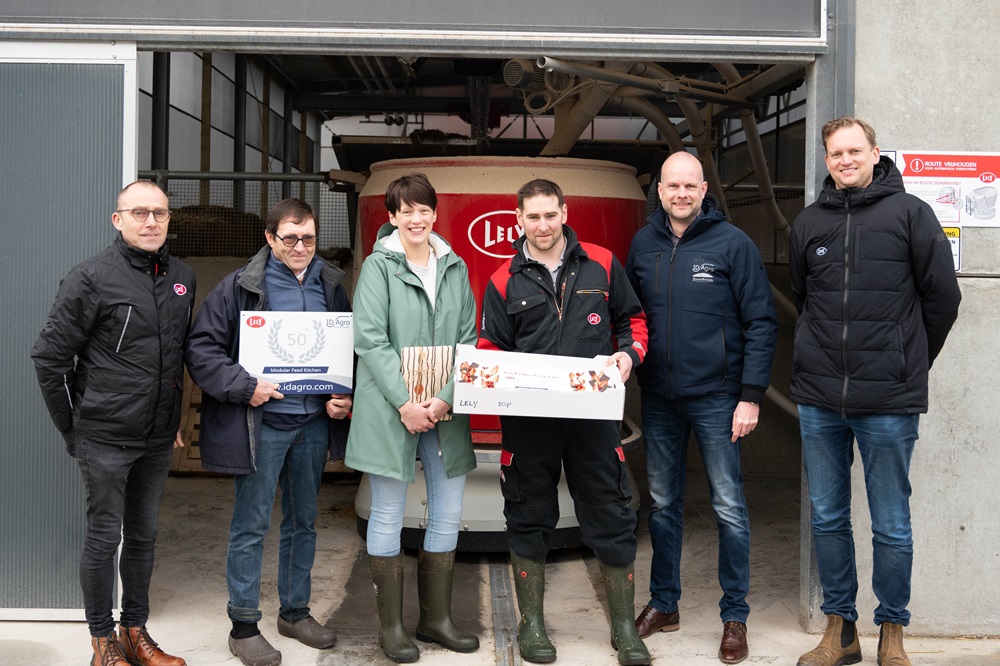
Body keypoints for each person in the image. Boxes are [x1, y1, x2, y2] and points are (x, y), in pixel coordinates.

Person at [790, 117, 961, 666]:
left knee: (891, 523)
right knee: (827, 517)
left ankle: (892, 632)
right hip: (820, 398)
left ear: (875, 153)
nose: (845, 160)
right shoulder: (809, 222)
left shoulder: (911, 214)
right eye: (835, 153)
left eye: (854, 150)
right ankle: (840, 631)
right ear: (827, 160)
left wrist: (907, 360)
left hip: (888, 400)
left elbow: (944, 299)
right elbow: (804, 298)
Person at [479, 178, 651, 666]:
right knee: (528, 514)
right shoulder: (502, 279)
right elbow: (491, 348)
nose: (543, 225)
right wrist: (491, 377)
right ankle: (532, 624)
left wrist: (627, 354)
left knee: (611, 512)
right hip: (530, 422)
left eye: (550, 215)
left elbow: (632, 322)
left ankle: (623, 627)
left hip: (593, 418)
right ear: (519, 220)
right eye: (532, 217)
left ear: (564, 212)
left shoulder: (602, 262)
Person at [31, 181, 195, 666]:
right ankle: (103, 642)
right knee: (106, 537)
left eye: (160, 214)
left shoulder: (181, 276)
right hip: (104, 436)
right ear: (117, 219)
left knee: (144, 535)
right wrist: (72, 430)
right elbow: (48, 358)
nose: (151, 222)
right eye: (139, 212)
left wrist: (172, 420)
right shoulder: (91, 278)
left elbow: (175, 357)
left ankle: (135, 633)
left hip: (156, 436)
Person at [184, 198, 352, 666]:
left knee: (304, 523)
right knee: (251, 525)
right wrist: (244, 386)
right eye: (291, 238)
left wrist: (343, 394)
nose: (301, 247)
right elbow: (201, 349)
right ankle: (243, 625)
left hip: (313, 424)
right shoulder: (240, 286)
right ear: (270, 238)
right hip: (263, 424)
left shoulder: (331, 284)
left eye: (309, 239)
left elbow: (346, 347)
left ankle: (295, 613)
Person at [625, 151, 778, 665]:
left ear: (704, 189)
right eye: (673, 186)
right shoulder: (644, 244)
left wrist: (751, 395)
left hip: (718, 397)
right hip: (661, 398)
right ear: (661, 189)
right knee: (664, 504)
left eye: (691, 186)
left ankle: (734, 616)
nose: (682, 194)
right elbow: (630, 317)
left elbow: (761, 322)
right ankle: (664, 604)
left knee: (729, 508)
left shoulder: (733, 244)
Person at [345, 173, 480, 663]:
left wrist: (443, 399)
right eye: (407, 210)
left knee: (446, 511)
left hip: (444, 408)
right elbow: (371, 340)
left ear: (434, 213)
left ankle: (436, 620)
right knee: (386, 513)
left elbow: (469, 336)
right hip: (391, 409)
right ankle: (392, 629)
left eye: (424, 209)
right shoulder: (379, 268)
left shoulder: (455, 266)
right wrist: (405, 402)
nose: (417, 218)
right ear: (392, 216)